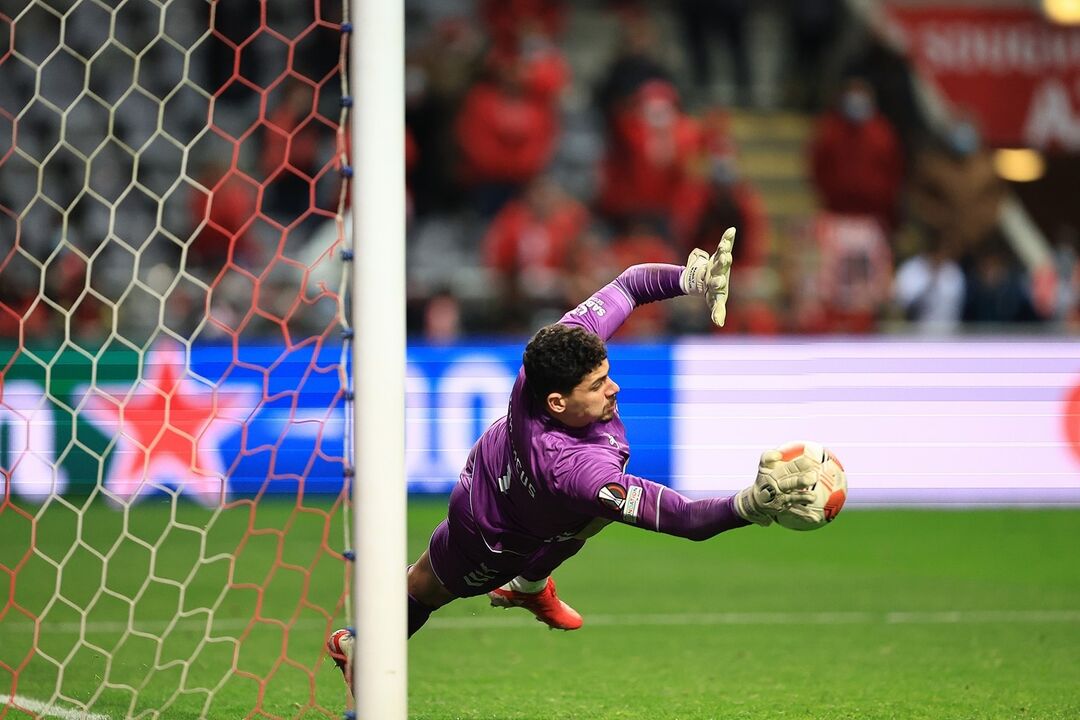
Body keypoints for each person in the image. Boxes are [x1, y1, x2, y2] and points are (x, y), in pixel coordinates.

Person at [327, 228, 823, 687]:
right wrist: (748, 506)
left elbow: (630, 285)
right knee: (428, 587)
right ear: (558, 403)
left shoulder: (559, 349)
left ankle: (529, 585)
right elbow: (685, 519)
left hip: (499, 465)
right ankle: (359, 647)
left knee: (588, 518)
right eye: (597, 385)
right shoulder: (578, 473)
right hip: (491, 531)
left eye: (607, 372)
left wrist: (692, 278)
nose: (614, 388)